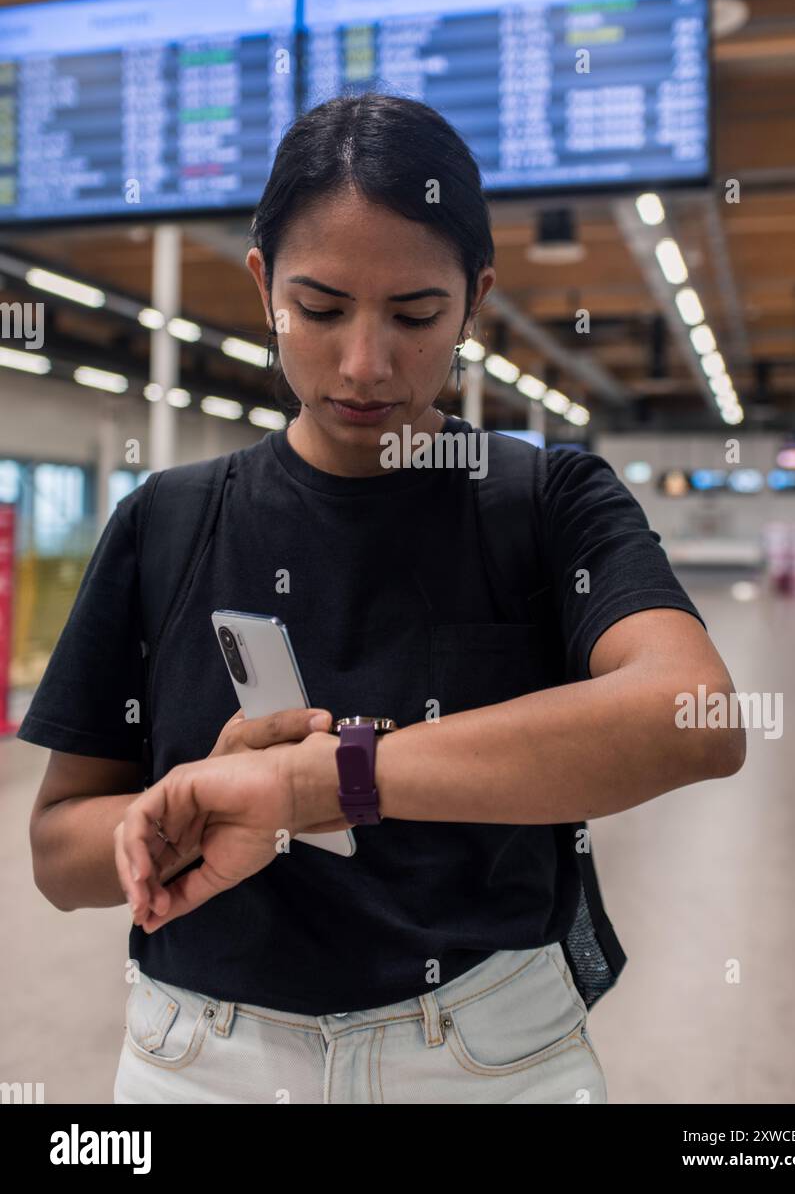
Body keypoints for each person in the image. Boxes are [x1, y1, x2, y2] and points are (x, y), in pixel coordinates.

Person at [20, 92, 744, 1105]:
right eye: (318, 309)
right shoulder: (166, 523)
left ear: (475, 299)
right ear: (264, 284)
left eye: (415, 315)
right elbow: (59, 851)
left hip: (490, 1057)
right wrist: (169, 816)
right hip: (204, 1060)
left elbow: (692, 715)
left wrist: (329, 782)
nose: (366, 363)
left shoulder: (544, 503)